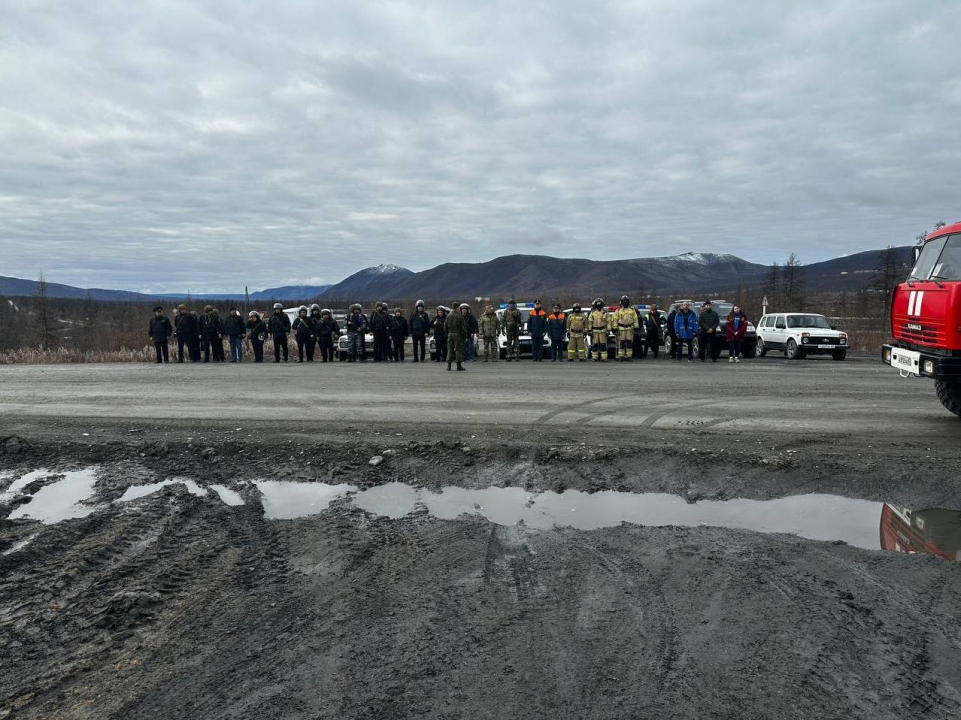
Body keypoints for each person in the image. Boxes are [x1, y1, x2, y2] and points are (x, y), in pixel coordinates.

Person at [612, 295, 638, 361]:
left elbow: (635, 319)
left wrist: (636, 327)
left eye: (626, 301)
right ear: (621, 302)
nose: (625, 302)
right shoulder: (618, 311)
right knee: (621, 343)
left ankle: (628, 356)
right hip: (621, 329)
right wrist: (615, 329)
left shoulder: (632, 310)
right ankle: (621, 356)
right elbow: (615, 319)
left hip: (629, 329)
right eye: (624, 301)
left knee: (629, 343)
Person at [445, 303, 470, 371]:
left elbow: (445, 327)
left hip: (450, 334)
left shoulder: (448, 316)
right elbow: (463, 328)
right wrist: (465, 336)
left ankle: (449, 366)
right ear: (457, 307)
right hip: (457, 335)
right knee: (458, 350)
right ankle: (458, 366)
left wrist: (448, 333)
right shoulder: (459, 316)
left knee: (450, 350)